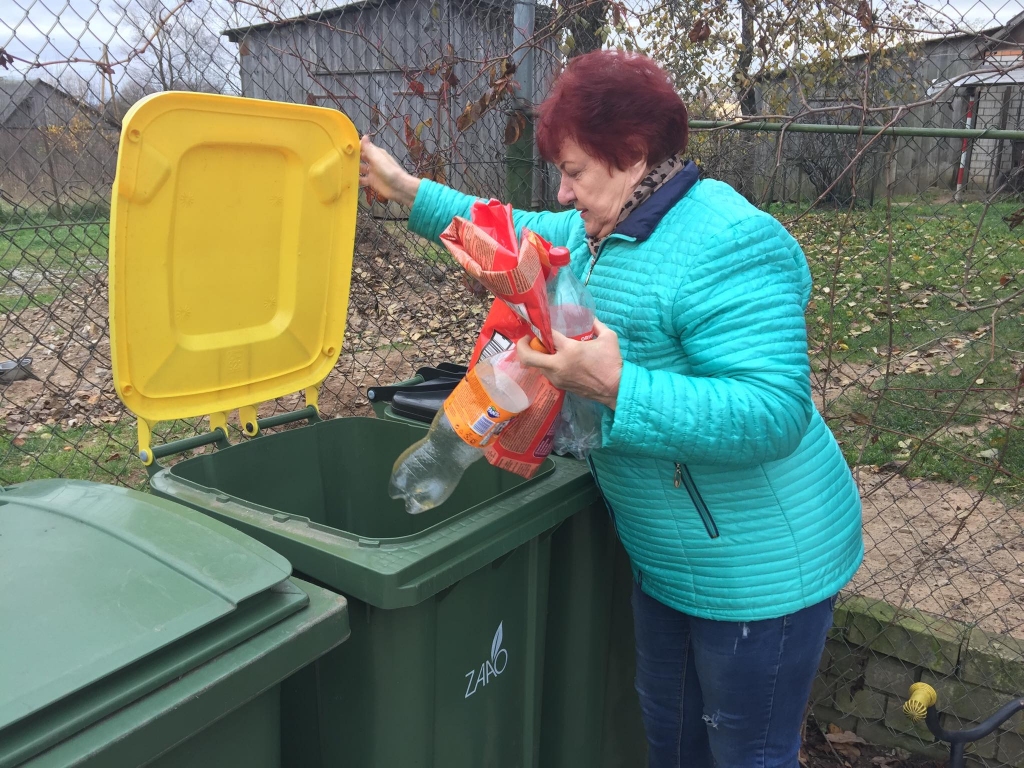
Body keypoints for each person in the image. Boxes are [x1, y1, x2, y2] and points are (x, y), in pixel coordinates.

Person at [359, 49, 863, 768]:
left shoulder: (729, 242)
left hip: (763, 574)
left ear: (631, 155)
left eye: (574, 172)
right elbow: (512, 228)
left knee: (747, 755)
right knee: (672, 742)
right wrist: (409, 192)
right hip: (668, 559)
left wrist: (619, 387)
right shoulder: (596, 232)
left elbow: (774, 411)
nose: (562, 193)